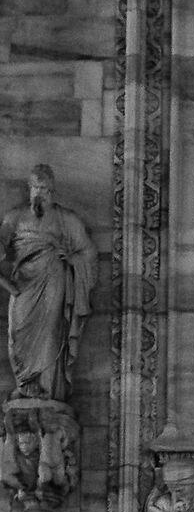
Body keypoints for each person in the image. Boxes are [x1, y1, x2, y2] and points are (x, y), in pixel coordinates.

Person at [0, 163, 96, 402]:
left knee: (51, 333)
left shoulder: (66, 219)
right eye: (37, 188)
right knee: (17, 334)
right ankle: (24, 383)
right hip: (23, 283)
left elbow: (89, 252)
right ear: (29, 189)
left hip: (54, 280)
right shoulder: (15, 218)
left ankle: (48, 390)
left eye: (47, 190)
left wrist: (73, 259)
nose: (42, 194)